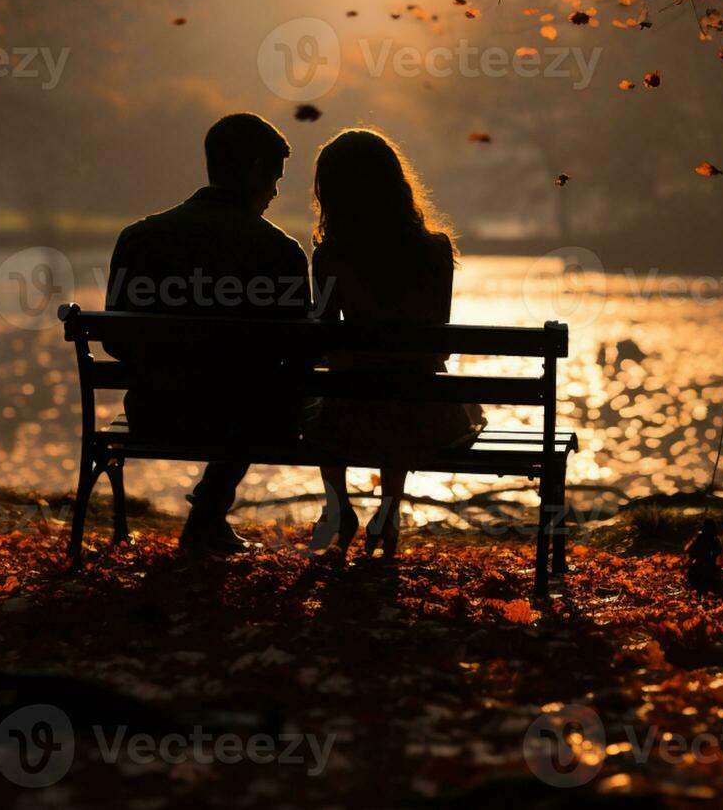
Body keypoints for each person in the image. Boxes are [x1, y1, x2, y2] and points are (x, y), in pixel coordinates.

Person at [106, 113, 310, 553]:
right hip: (248, 422)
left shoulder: (138, 239)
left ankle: (207, 516)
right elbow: (297, 357)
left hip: (155, 414)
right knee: (262, 396)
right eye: (275, 177)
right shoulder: (280, 252)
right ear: (256, 169)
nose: (275, 191)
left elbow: (115, 341)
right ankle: (208, 511)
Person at [307, 129, 486, 558]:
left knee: (320, 406)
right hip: (424, 417)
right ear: (395, 183)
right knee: (408, 388)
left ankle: (338, 507)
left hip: (348, 416)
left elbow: (326, 339)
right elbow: (435, 346)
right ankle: (388, 510)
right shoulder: (435, 251)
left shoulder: (330, 255)